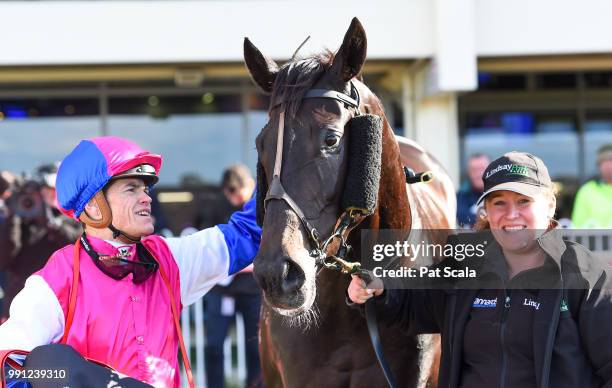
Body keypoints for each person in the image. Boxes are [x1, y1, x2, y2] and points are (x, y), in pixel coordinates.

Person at [0, 137, 261, 388]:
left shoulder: (171, 258)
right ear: (93, 205)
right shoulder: (56, 280)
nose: (147, 197)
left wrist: (281, 160)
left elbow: (247, 233)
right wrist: (80, 378)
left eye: (145, 188)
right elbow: (8, 362)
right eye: (131, 188)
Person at [348, 151, 612, 387]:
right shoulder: (465, 264)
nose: (511, 214)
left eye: (523, 201)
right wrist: (378, 289)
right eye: (499, 203)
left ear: (550, 205)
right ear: (486, 210)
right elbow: (411, 302)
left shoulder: (585, 273)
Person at [204, 164, 262, 388]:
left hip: (252, 289)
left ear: (251, 186)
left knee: (255, 347)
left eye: (240, 192)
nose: (236, 198)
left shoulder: (263, 203)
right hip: (223, 289)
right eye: (231, 194)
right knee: (214, 345)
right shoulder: (216, 206)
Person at [0, 163, 81, 321]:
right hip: (19, 307)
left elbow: (75, 245)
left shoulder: (73, 219)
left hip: (61, 307)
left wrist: (49, 221)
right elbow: (4, 258)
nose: (45, 198)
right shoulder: (21, 222)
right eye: (41, 193)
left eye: (50, 192)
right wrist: (13, 216)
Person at [572, 144, 612, 228]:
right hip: (594, 241)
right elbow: (577, 228)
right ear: (599, 166)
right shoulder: (586, 191)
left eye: (611, 160)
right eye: (604, 162)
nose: (609, 165)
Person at [456, 153, 490, 228]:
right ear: (468, 173)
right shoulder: (461, 196)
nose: (478, 174)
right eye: (474, 170)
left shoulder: (501, 192)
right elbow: (462, 217)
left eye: (481, 169)